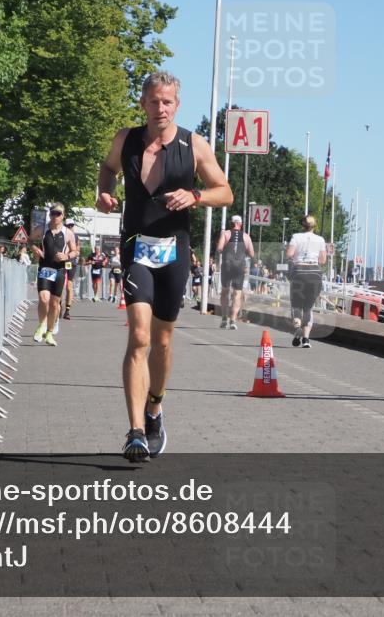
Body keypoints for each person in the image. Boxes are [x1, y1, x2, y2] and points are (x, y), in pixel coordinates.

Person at [96, 71, 232, 462]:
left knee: (163, 341)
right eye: (154, 101)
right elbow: (108, 169)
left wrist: (195, 195)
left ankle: (155, 408)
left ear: (177, 104)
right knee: (139, 336)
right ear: (143, 103)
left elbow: (225, 192)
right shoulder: (126, 139)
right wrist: (104, 192)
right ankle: (136, 432)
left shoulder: (193, 145)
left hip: (174, 251)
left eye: (167, 101)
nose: (161, 108)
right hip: (136, 246)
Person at [30, 203, 79, 346]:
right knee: (43, 298)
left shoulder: (68, 233)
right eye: (52, 213)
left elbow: (75, 251)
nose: (55, 216)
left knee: (54, 304)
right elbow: (30, 240)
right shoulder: (42, 229)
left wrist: (66, 256)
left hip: (59, 270)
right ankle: (41, 325)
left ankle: (50, 333)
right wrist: (35, 249)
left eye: (58, 214)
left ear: (63, 216)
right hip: (45, 268)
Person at [286, 215, 328, 348]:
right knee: (308, 308)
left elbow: (289, 254)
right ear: (314, 226)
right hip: (314, 273)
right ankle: (306, 339)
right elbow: (322, 260)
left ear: (303, 225)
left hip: (299, 272)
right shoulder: (320, 239)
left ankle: (298, 327)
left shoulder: (296, 237)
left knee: (297, 305)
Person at [217, 214, 255, 329]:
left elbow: (219, 248)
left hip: (227, 265)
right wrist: (243, 252)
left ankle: (224, 318)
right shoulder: (246, 236)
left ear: (231, 223)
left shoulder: (226, 234)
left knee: (225, 291)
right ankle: (233, 320)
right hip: (239, 266)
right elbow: (252, 254)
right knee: (237, 293)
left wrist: (226, 251)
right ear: (240, 224)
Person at [62, 220, 79, 319]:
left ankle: (67, 310)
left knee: (69, 286)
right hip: (62, 262)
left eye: (72, 225)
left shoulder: (76, 236)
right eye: (68, 226)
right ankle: (59, 305)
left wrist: (76, 253)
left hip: (71, 263)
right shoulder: (61, 235)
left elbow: (78, 249)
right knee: (60, 285)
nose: (70, 227)